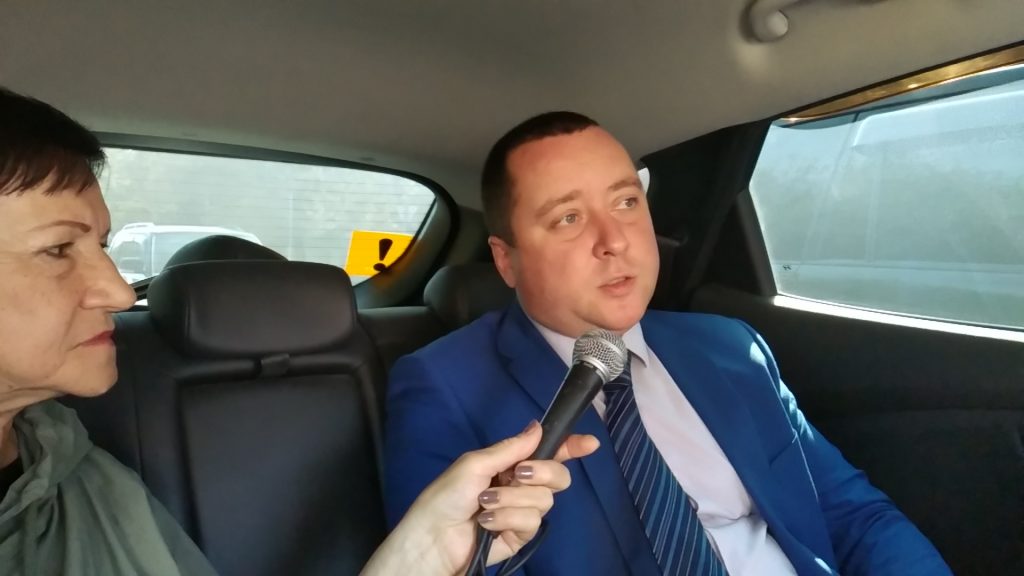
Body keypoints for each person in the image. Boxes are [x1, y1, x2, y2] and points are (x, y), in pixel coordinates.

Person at [0, 87, 596, 575]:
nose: (119, 291)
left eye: (102, 246)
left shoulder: (73, 470)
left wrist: (419, 558)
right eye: (57, 249)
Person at [384, 112, 953, 575]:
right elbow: (453, 562)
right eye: (568, 218)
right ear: (506, 260)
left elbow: (855, 516)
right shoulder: (443, 386)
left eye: (626, 202)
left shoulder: (731, 348)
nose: (614, 240)